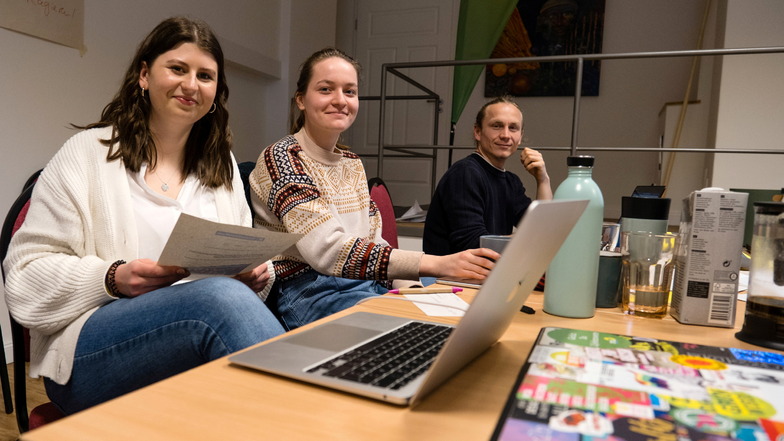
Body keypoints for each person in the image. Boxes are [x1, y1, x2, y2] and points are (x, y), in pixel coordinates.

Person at [2, 17, 285, 415]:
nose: (191, 85)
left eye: (205, 76)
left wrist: (255, 274)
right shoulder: (86, 153)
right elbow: (25, 278)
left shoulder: (220, 167)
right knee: (218, 301)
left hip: (190, 345)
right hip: (90, 355)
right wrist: (112, 278)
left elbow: (238, 269)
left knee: (226, 300)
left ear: (216, 93)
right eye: (177, 68)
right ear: (144, 75)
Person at [249, 48, 498, 330]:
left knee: (462, 315)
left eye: (350, 91)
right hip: (309, 290)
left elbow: (374, 241)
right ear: (301, 100)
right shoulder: (282, 157)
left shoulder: (353, 164)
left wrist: (413, 289)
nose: (340, 100)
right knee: (416, 332)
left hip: (364, 281)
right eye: (325, 89)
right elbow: (327, 251)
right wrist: (437, 264)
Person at [423, 96, 553, 255]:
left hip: (485, 274)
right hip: (446, 278)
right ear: (478, 132)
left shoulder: (511, 182)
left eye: (513, 128)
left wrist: (543, 180)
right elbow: (473, 245)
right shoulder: (465, 173)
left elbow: (543, 229)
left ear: (520, 137)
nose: (506, 135)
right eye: (497, 126)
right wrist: (530, 239)